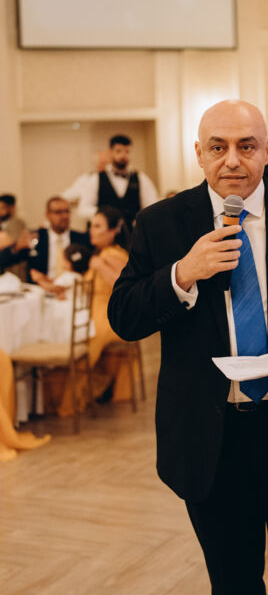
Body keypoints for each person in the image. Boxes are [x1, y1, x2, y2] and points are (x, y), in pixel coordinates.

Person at [108, 99, 268, 594]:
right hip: (211, 438)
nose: (232, 160)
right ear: (199, 154)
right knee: (232, 583)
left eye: (246, 146)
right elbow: (123, 316)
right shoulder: (161, 223)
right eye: (218, 147)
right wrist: (182, 273)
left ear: (267, 150)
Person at [43, 206, 132, 417]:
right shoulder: (102, 253)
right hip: (94, 310)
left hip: (107, 315)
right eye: (91, 225)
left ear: (113, 231)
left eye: (98, 226)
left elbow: (123, 286)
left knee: (80, 340)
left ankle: (67, 400)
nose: (91, 230)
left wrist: (99, 265)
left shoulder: (112, 254)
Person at [76, 134, 158, 230]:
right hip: (105, 234)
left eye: (127, 151)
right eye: (118, 151)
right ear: (110, 152)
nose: (123, 155)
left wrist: (141, 219)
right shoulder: (96, 178)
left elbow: (153, 206)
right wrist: (103, 214)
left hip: (133, 233)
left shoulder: (141, 178)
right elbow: (83, 209)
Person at [0, 196, 90, 281]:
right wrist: (16, 248)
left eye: (67, 211)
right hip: (39, 288)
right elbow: (4, 260)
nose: (64, 216)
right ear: (47, 215)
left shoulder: (81, 239)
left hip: (70, 287)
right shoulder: (36, 237)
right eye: (58, 212)